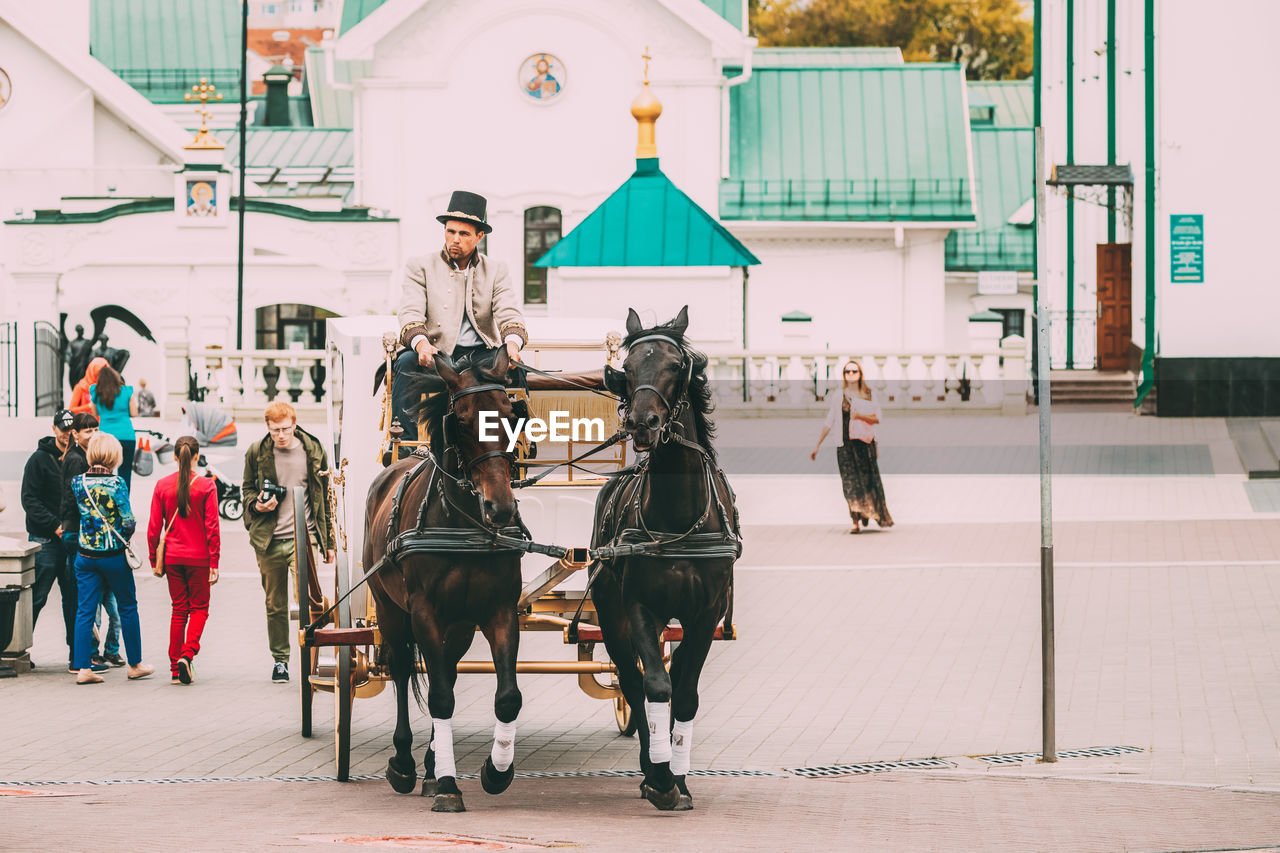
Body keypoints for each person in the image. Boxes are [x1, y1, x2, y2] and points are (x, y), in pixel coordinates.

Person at [391, 190, 527, 452]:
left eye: (464, 234)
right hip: (438, 355)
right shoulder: (420, 266)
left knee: (516, 369)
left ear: (479, 236)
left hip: (481, 356)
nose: (455, 239)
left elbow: (509, 312)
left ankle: (515, 445)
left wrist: (512, 345)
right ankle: (405, 446)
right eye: (450, 231)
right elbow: (410, 312)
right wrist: (421, 345)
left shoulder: (496, 269)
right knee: (406, 362)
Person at [242, 401, 333, 683]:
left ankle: (311, 657)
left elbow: (323, 498)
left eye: (285, 429)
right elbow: (246, 490)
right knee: (275, 604)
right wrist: (257, 505)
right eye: (274, 431)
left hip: (302, 538)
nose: (280, 435)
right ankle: (280, 660)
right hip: (269, 539)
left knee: (307, 602)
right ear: (267, 428)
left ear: (294, 424)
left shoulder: (313, 450)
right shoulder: (257, 452)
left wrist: (327, 540)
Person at [69, 433, 155, 683]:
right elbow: (128, 522)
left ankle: (83, 667)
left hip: (85, 555)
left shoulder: (78, 482)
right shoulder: (116, 484)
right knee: (128, 607)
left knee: (85, 610)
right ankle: (135, 664)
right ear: (114, 456)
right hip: (113, 556)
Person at [148, 436, 220, 685]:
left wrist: (153, 558)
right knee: (200, 608)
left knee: (179, 610)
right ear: (197, 456)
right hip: (199, 558)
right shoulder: (207, 486)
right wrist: (215, 561)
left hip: (173, 559)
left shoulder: (162, 485)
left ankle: (174, 668)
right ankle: (187, 655)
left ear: (175, 457)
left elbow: (153, 529)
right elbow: (212, 527)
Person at [59, 412, 124, 670]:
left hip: (80, 535)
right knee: (89, 603)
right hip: (84, 538)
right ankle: (86, 657)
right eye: (87, 430)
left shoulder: (80, 458)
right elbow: (77, 503)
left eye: (96, 429)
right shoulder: (78, 461)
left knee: (89, 601)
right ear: (75, 434)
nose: (93, 434)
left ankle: (89, 655)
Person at [810, 360, 894, 533]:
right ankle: (855, 520)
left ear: (860, 373)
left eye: (854, 371)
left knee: (868, 482)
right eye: (847, 371)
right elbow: (830, 420)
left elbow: (878, 417)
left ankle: (866, 514)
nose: (850, 374)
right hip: (845, 446)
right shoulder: (838, 395)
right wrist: (817, 445)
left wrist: (860, 415)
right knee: (850, 483)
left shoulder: (869, 394)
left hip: (865, 445)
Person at [20, 410, 75, 656]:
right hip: (45, 540)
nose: (68, 434)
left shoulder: (77, 458)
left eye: (72, 430)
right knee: (36, 598)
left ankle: (78, 654)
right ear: (54, 429)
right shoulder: (38, 460)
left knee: (74, 600)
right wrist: (55, 525)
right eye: (64, 429)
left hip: (71, 540)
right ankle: (14, 650)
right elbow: (29, 500)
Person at [89, 364, 138, 492]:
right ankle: (123, 505)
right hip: (127, 435)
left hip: (105, 438)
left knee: (104, 471)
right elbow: (134, 413)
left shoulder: (95, 392)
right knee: (125, 471)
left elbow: (94, 413)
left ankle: (106, 503)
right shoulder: (127, 391)